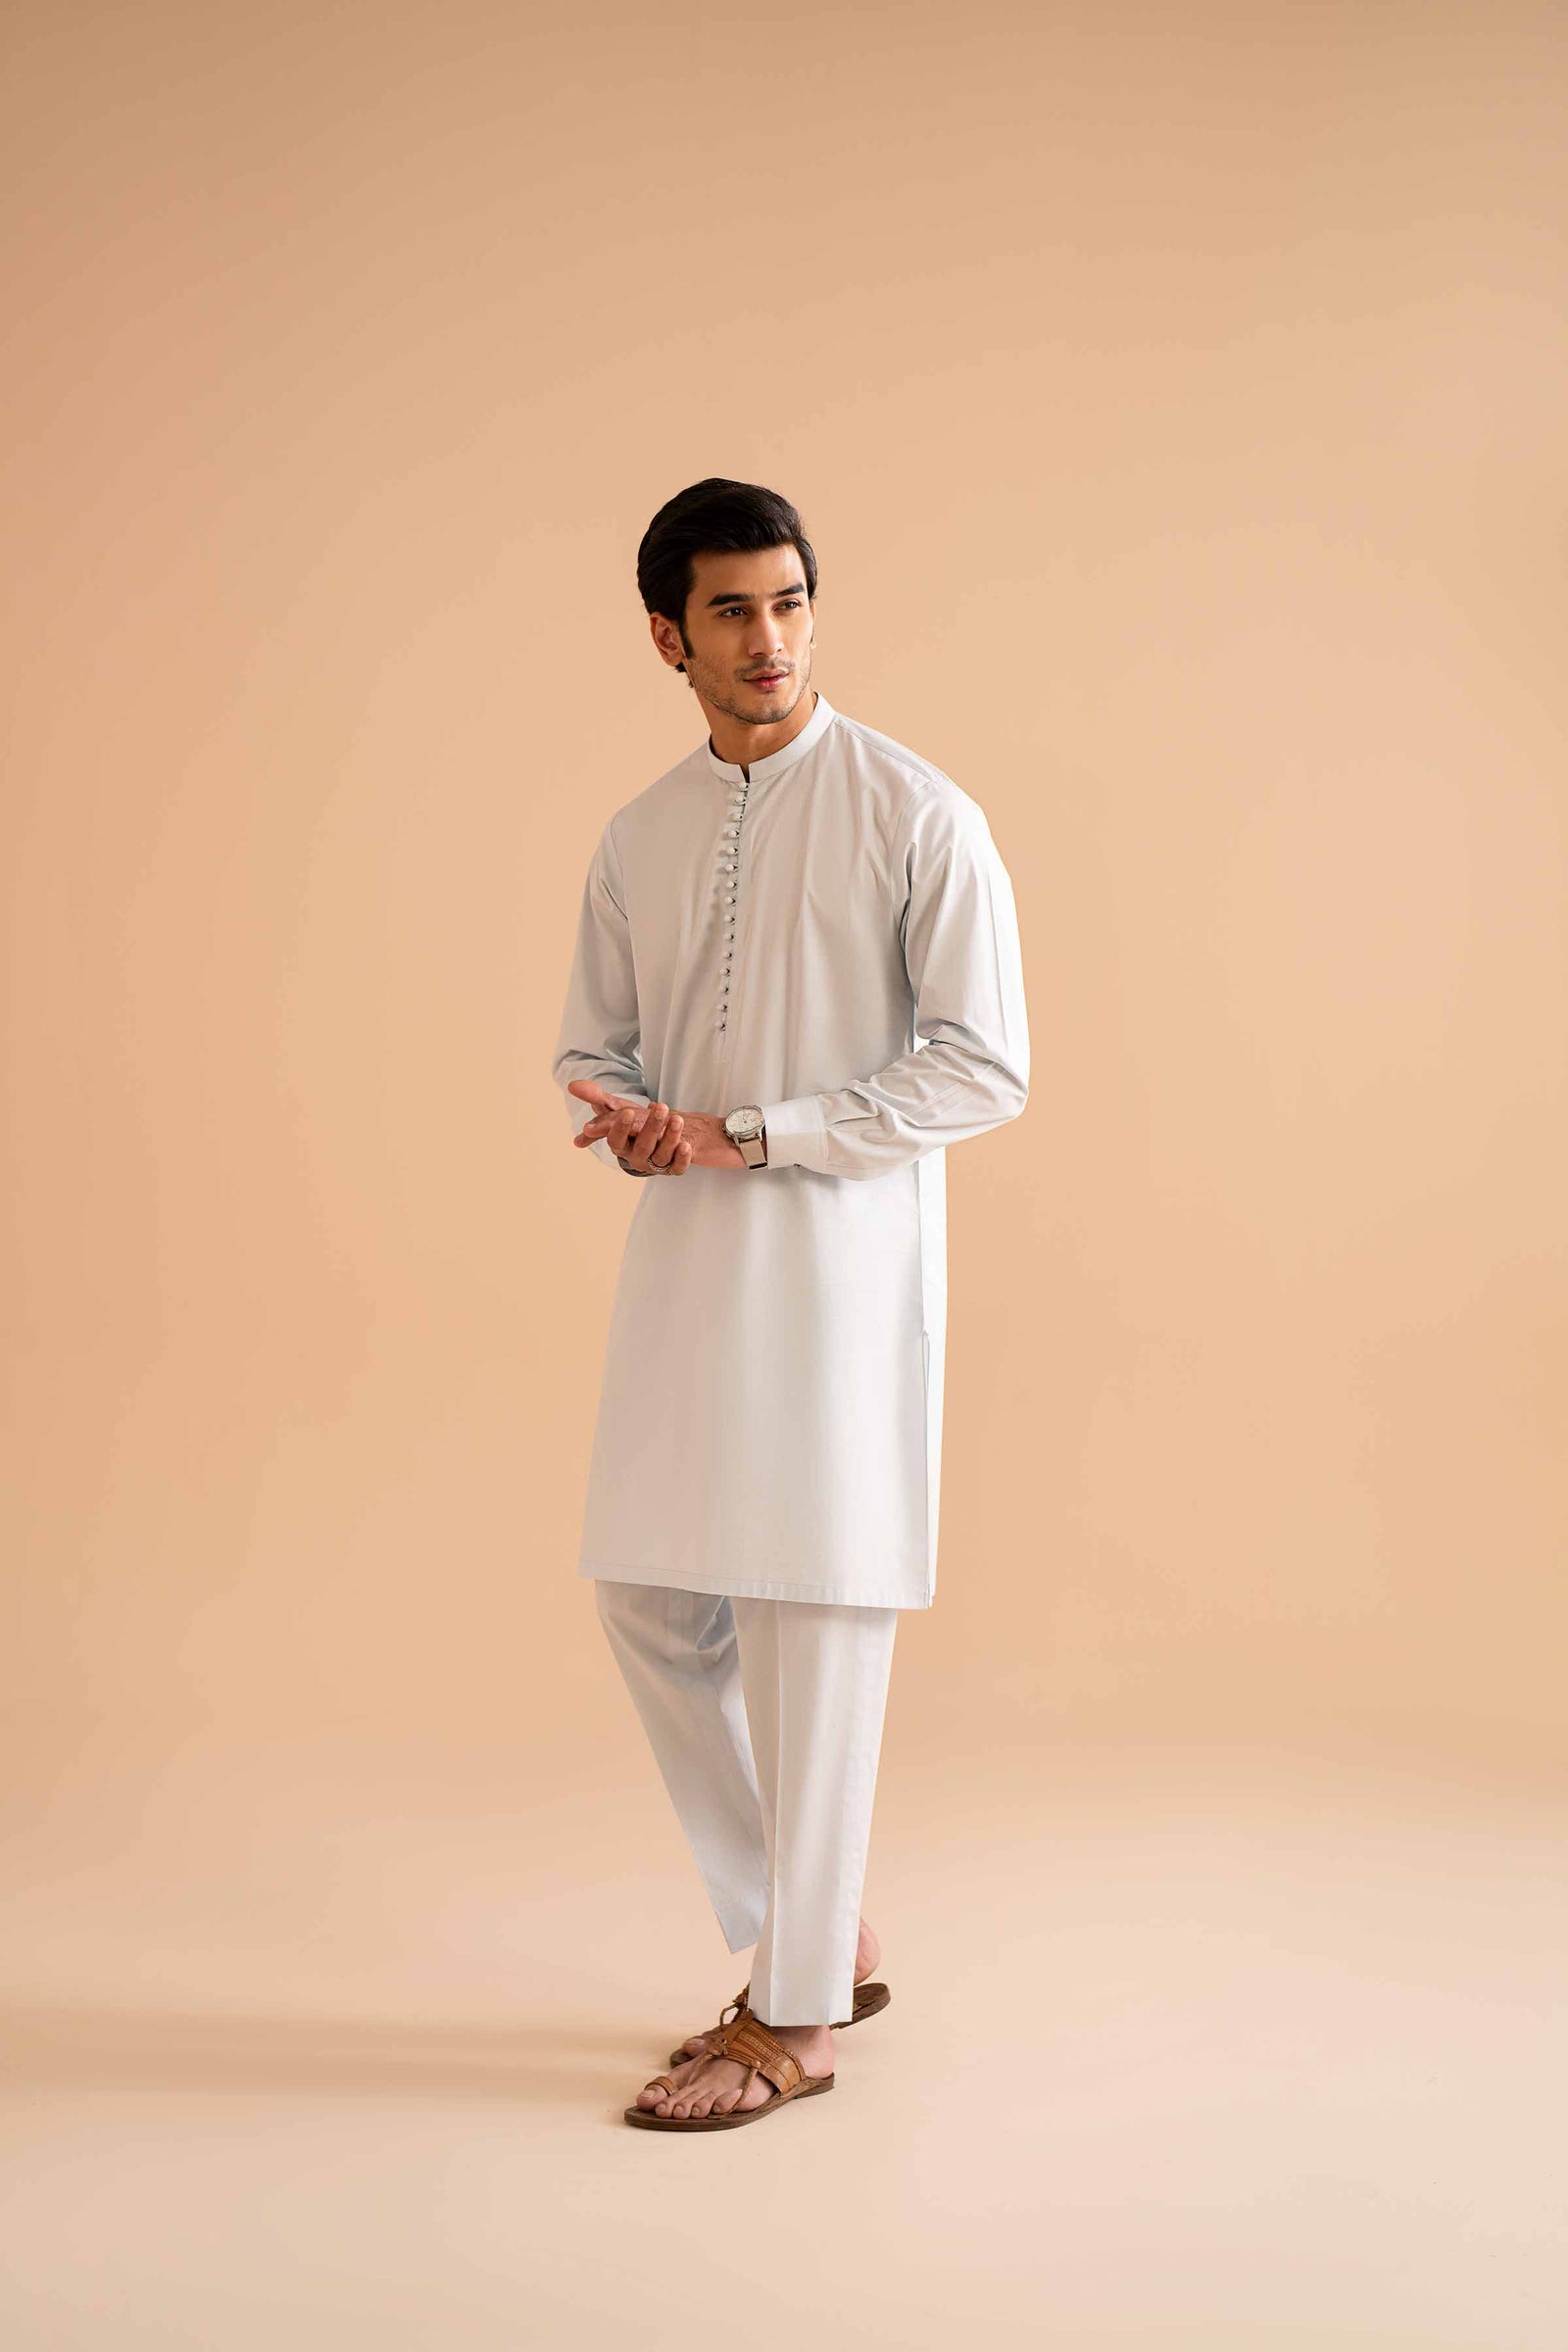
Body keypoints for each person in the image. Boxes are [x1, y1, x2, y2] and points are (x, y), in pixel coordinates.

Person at [551, 477, 1031, 2132]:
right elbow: (594, 1042)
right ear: (667, 637)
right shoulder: (640, 835)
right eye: (733, 611)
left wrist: (757, 1132)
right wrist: (625, 1117)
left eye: (791, 601)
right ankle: (808, 1923)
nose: (771, 639)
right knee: (647, 1590)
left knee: (812, 1611)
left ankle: (801, 2014)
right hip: (689, 1255)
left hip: (841, 1261)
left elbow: (984, 1066)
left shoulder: (916, 812)